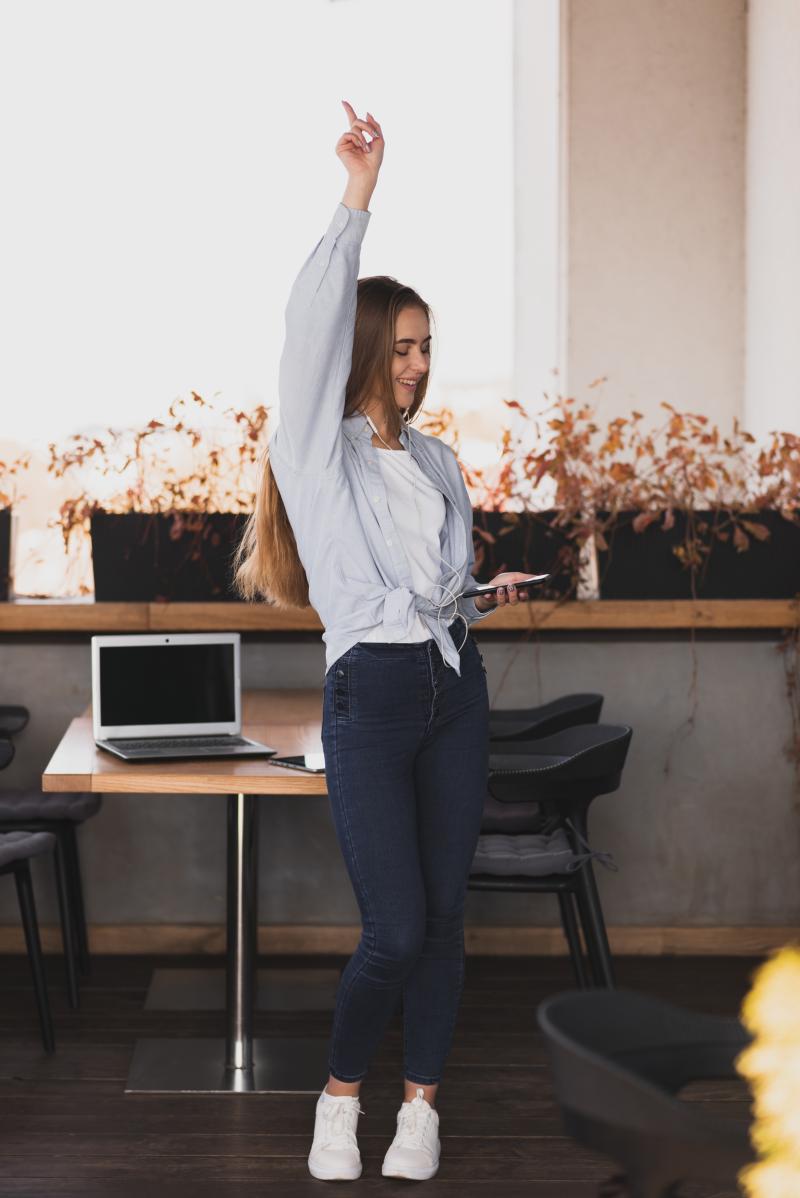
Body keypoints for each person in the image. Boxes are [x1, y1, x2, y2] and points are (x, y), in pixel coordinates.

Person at [233, 100, 534, 1183]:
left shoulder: (439, 462)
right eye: (401, 347)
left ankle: (420, 1111)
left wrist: (478, 597)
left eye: (425, 347)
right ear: (365, 347)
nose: (417, 364)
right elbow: (308, 330)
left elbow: (436, 593)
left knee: (445, 918)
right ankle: (338, 1099)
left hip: (453, 690)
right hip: (369, 697)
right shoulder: (319, 454)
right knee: (394, 929)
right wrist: (357, 196)